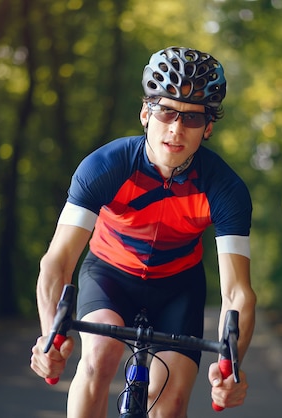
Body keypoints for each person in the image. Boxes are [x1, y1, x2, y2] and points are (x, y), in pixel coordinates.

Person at [30, 46, 255, 418]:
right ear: (145, 114)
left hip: (177, 288)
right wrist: (49, 339)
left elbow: (238, 293)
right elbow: (58, 261)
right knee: (100, 354)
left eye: (192, 119)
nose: (176, 128)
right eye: (166, 110)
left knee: (170, 403)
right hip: (108, 275)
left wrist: (231, 368)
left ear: (209, 128)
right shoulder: (106, 166)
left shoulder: (225, 188)